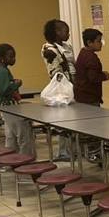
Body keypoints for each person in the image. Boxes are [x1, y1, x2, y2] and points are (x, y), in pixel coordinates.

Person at [0, 43, 34, 157]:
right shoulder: (2, 71)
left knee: (11, 135)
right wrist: (16, 84)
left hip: (6, 106)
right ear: (2, 58)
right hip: (9, 106)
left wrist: (13, 82)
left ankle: (10, 160)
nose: (13, 59)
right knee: (23, 135)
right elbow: (4, 90)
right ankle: (25, 160)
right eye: (10, 56)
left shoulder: (1, 70)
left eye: (14, 56)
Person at [41, 19, 76, 161]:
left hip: (73, 84)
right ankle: (63, 151)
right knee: (64, 120)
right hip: (61, 87)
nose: (68, 33)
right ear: (56, 33)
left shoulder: (67, 46)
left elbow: (72, 63)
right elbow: (56, 71)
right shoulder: (48, 49)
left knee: (73, 119)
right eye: (65, 31)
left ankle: (72, 149)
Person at [74, 28, 109, 106]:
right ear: (89, 42)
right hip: (89, 98)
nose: (101, 44)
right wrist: (104, 76)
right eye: (98, 41)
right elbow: (93, 77)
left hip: (80, 96)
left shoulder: (83, 53)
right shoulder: (91, 58)